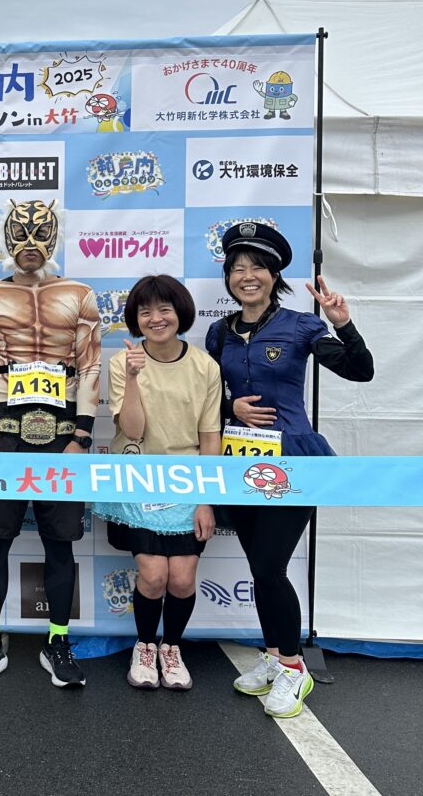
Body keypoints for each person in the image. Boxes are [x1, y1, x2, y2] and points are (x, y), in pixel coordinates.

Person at [206, 222, 374, 718]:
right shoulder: (219, 332)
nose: (247, 275)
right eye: (238, 267)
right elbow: (208, 397)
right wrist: (231, 408)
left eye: (257, 267)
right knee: (260, 568)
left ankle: (294, 668)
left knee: (269, 567)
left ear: (274, 275)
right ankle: (275, 656)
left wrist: (343, 324)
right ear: (228, 278)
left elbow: (359, 370)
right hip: (240, 463)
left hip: (292, 462)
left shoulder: (301, 326)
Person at [0, 199, 101, 688]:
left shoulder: (80, 295)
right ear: (5, 238)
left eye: (42, 232)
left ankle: (57, 641)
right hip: (4, 432)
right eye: (20, 233)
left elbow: (90, 365)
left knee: (60, 543)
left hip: (62, 434)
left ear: (56, 236)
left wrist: (82, 435)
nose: (31, 243)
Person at [92, 275, 220, 691]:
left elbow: (210, 438)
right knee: (153, 576)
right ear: (135, 319)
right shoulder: (121, 362)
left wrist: (206, 500)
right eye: (145, 312)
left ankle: (172, 648)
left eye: (164, 309)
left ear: (180, 312)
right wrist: (132, 377)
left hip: (187, 482)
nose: (156, 318)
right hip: (138, 479)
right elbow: (132, 430)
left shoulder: (205, 366)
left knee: (181, 579)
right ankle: (145, 646)